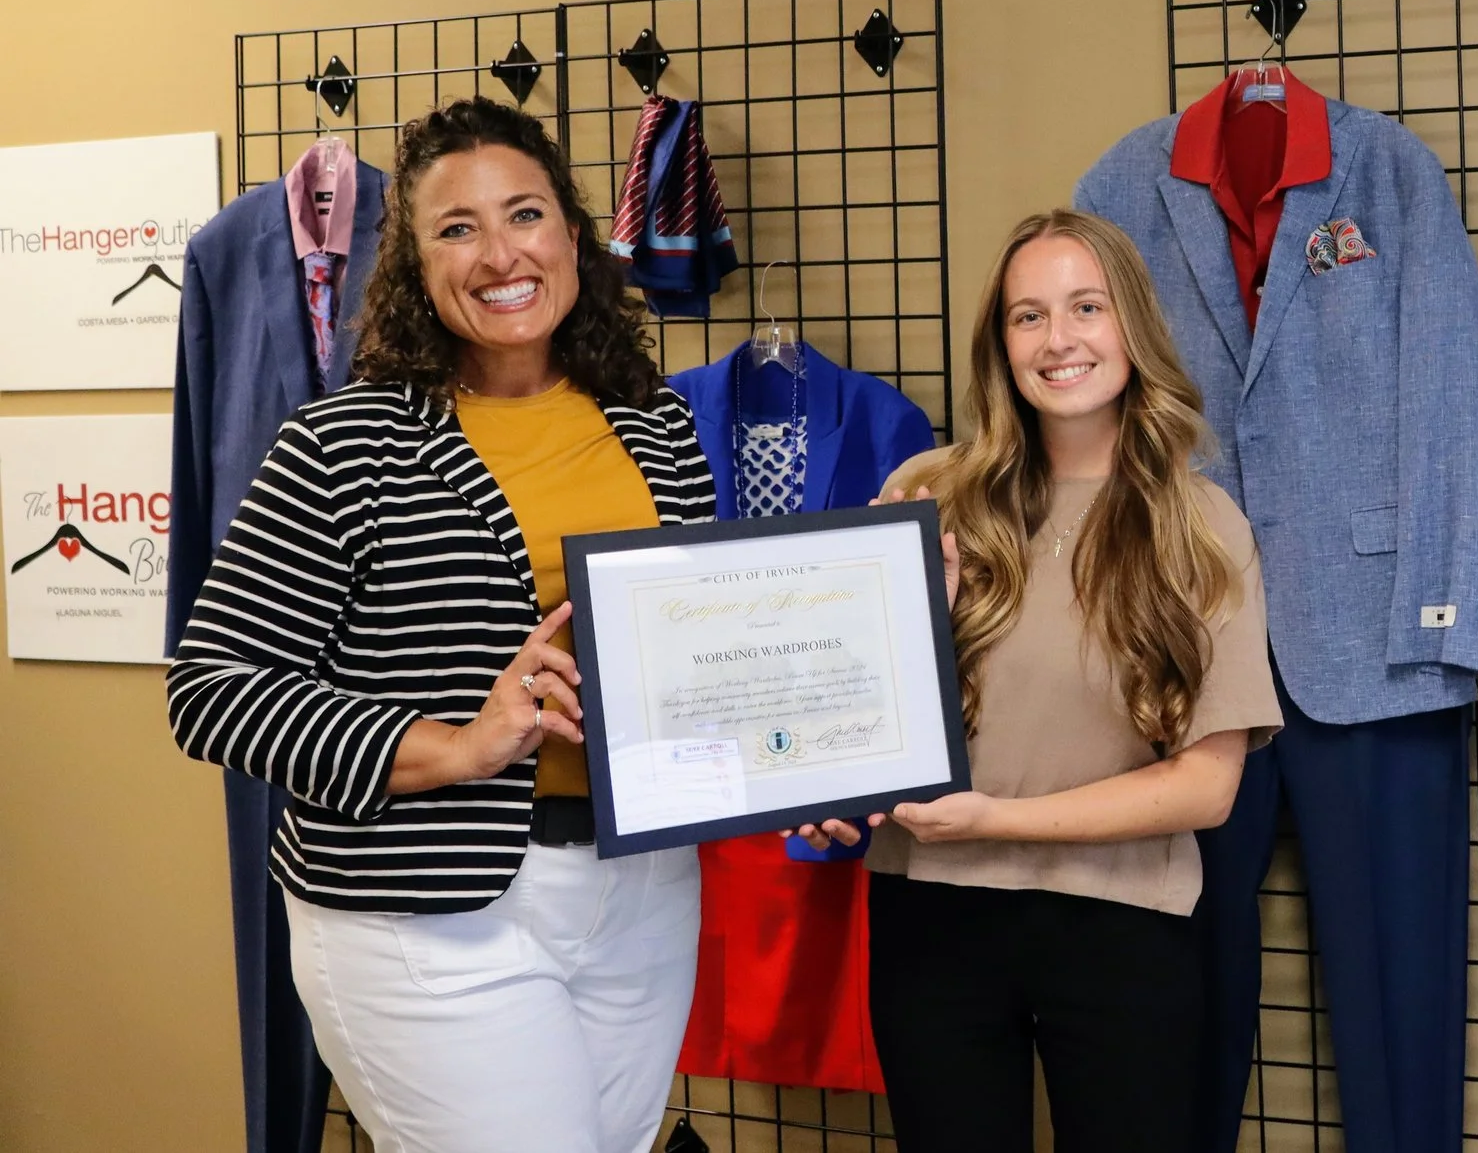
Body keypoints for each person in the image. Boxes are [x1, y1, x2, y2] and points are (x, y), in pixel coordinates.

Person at [166, 98, 717, 1153]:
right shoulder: (344, 444)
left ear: (572, 234)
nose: (499, 254)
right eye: (456, 229)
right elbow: (213, 689)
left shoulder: (658, 422)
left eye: (525, 214)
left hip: (640, 895)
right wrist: (457, 745)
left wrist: (807, 761)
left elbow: (695, 647)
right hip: (425, 916)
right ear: (411, 265)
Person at [794, 208, 1282, 1153]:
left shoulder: (1201, 522)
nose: (1058, 340)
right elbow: (853, 713)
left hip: (1123, 926)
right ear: (1000, 343)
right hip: (930, 921)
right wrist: (831, 792)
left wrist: (995, 821)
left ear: (1132, 326)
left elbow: (1208, 787)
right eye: (1028, 316)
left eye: (1085, 308)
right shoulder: (922, 493)